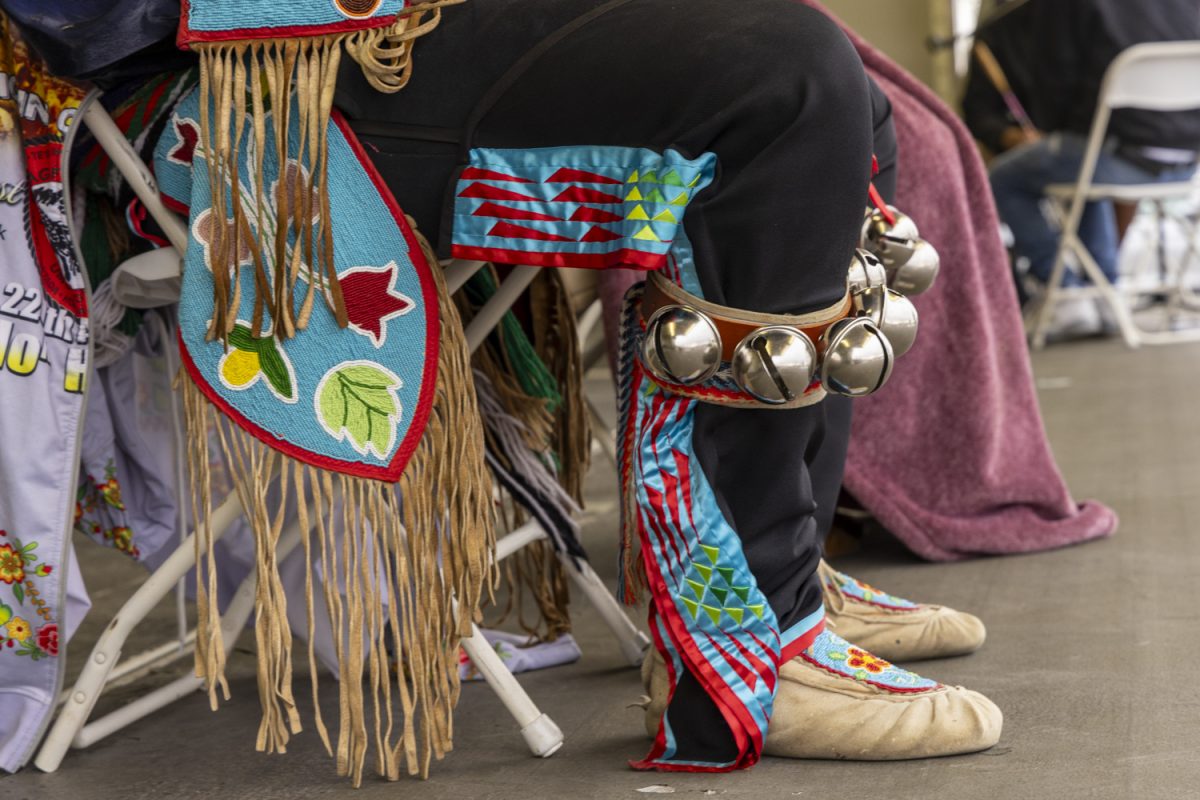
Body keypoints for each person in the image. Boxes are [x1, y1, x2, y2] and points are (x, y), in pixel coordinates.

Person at [337, 0, 1001, 771]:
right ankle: (747, 640)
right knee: (788, 80)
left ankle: (787, 561)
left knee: (862, 100)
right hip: (333, 57)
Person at [985, 0, 1200, 336]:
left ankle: (1068, 294)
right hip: (1186, 161)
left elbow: (1054, 80)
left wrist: (1054, 131)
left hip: (1113, 153)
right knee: (1082, 169)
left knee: (1003, 178)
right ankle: (1104, 290)